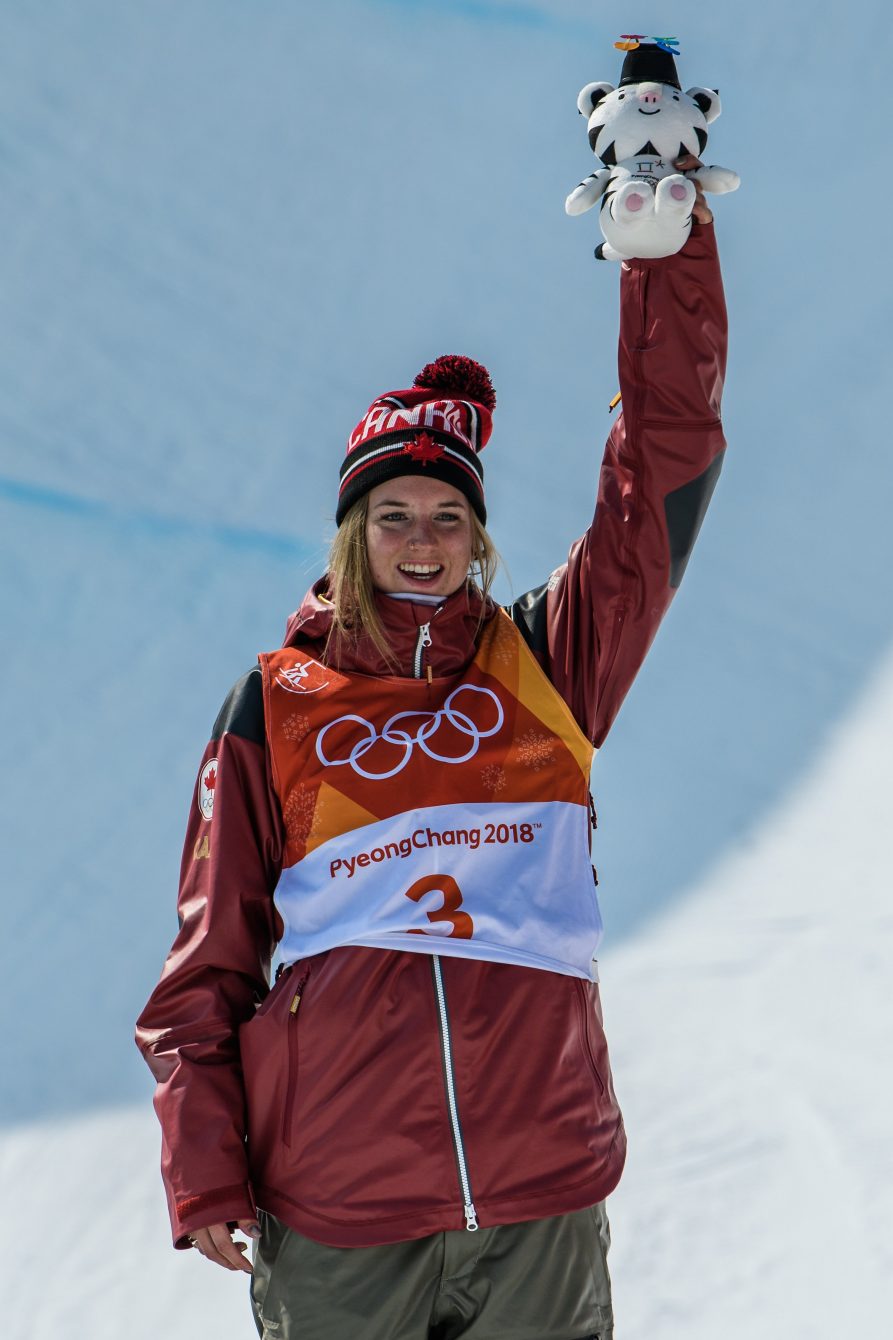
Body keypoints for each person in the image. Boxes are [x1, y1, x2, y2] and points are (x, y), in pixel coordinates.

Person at [136, 161, 727, 1340]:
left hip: (538, 1197)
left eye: (448, 517)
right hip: (344, 1210)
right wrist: (203, 1164)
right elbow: (208, 967)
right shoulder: (273, 705)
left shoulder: (547, 664)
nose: (422, 541)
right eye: (394, 517)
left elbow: (660, 463)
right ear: (352, 534)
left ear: (477, 536)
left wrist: (662, 253)